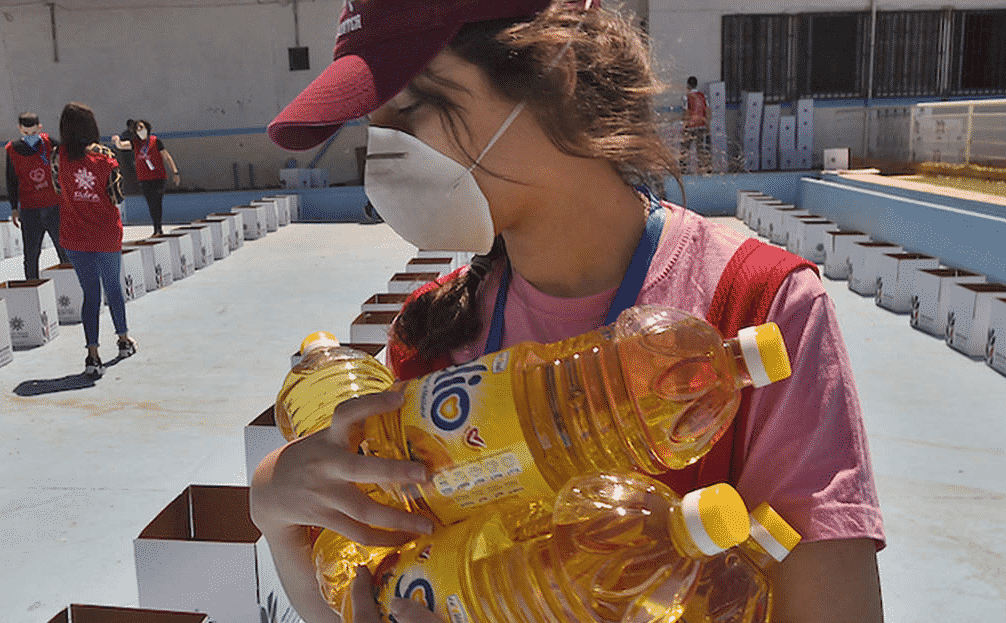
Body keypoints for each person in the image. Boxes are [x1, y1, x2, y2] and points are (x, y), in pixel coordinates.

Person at [251, 2, 885, 623]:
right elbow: (380, 588)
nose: (385, 156)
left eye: (414, 107)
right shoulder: (430, 335)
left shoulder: (755, 308)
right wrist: (277, 512)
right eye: (374, 128)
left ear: (553, 75)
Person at [53, 102, 137, 377]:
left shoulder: (58, 155)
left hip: (75, 237)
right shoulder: (105, 156)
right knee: (113, 289)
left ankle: (92, 355)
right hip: (105, 235)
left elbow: (58, 188)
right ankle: (123, 340)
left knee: (90, 295)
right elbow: (117, 196)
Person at [4, 112, 70, 279]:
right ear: (20, 129)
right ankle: (32, 285)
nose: (30, 136)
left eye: (33, 133)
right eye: (26, 134)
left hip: (54, 205)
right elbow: (11, 180)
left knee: (64, 250)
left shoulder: (50, 144)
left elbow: (68, 162)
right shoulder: (12, 150)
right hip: (29, 209)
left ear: (39, 127)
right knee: (31, 254)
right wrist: (13, 208)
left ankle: (71, 286)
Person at [111, 119, 180, 235]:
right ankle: (156, 228)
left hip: (158, 177)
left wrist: (175, 172)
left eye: (141, 127)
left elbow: (166, 157)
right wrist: (117, 141)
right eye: (137, 128)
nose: (139, 130)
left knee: (156, 200)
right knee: (151, 202)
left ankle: (158, 228)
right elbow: (121, 146)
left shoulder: (155, 141)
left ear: (147, 128)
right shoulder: (135, 143)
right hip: (144, 179)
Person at [682, 76, 711, 173]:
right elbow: (707, 110)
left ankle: (684, 168)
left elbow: (687, 112)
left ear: (688, 85)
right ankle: (702, 168)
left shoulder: (687, 97)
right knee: (700, 147)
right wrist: (707, 124)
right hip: (701, 125)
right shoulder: (703, 96)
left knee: (686, 147)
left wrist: (684, 126)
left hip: (691, 126)